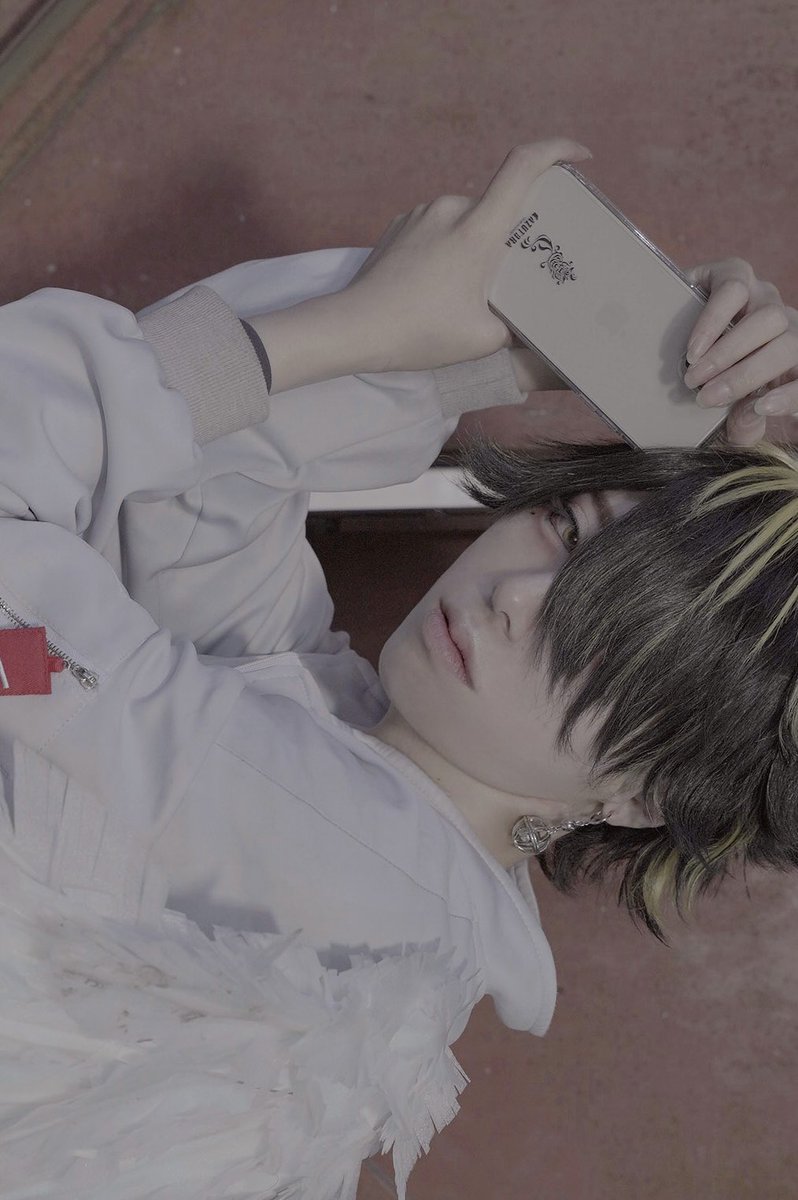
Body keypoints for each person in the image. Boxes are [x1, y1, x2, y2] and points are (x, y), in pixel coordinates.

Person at [0, 136, 796, 1199]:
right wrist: (519, 342)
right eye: (565, 528)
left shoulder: (348, 868)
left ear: (645, 796)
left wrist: (351, 330)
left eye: (598, 642)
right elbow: (199, 495)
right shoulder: (352, 776)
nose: (516, 598)